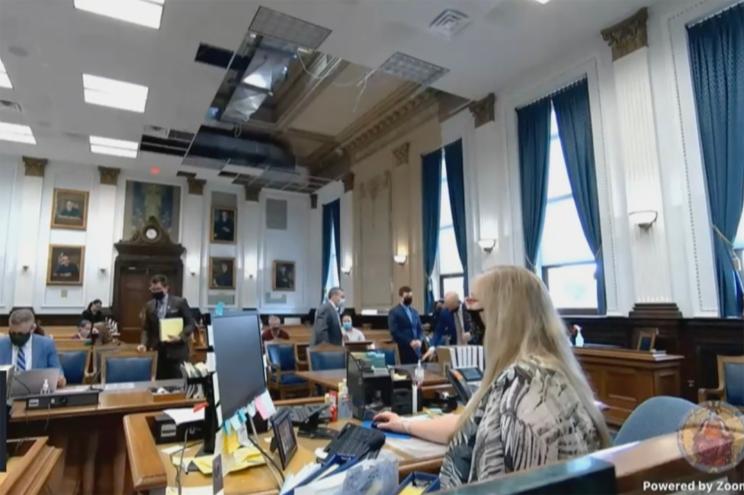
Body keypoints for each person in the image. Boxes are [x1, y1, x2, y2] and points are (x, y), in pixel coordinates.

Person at [374, 267, 610, 489]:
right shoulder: (536, 370)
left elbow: (523, 486)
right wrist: (404, 424)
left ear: (502, 318)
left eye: (475, 310)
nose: (472, 323)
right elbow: (468, 424)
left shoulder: (526, 392)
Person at [137, 274, 196, 379]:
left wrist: (181, 336)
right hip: (157, 352)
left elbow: (190, 323)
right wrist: (143, 344)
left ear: (166, 288)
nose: (155, 292)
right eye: (153, 289)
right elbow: (146, 328)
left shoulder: (179, 302)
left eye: (158, 289)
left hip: (177, 351)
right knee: (159, 384)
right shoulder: (149, 305)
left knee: (178, 383)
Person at [0, 308, 66, 388]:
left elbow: (58, 372)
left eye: (20, 334)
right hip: (5, 394)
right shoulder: (2, 344)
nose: (16, 337)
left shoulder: (46, 344)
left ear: (32, 328)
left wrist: (59, 379)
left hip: (36, 394)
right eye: (12, 333)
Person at [388, 286, 424, 364]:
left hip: (417, 348)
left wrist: (419, 340)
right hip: (403, 347)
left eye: (411, 296)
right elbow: (394, 331)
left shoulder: (414, 312)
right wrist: (409, 341)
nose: (409, 298)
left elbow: (420, 329)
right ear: (400, 297)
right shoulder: (394, 312)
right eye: (407, 296)